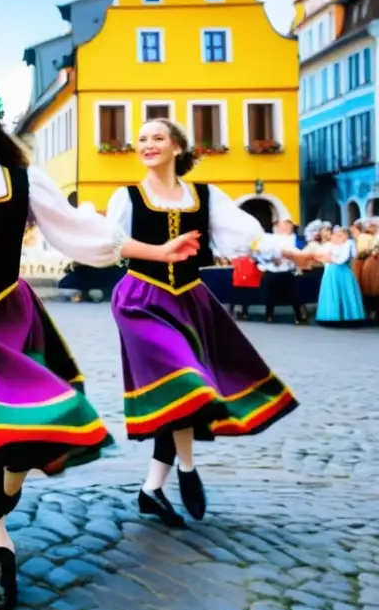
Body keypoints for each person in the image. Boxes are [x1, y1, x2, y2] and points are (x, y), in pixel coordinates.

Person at [0, 88, 201, 610]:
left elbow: (85, 235)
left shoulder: (26, 183)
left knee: (28, 420)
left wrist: (159, 250)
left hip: (11, 312)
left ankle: (15, 473)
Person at [105, 119, 305, 529]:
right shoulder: (127, 198)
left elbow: (248, 238)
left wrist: (292, 253)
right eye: (142, 139)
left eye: (158, 138)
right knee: (186, 381)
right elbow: (112, 245)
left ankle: (151, 489)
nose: (148, 144)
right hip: (141, 297)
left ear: (177, 147)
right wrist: (159, 252)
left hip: (190, 299)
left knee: (179, 395)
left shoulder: (206, 196)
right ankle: (189, 469)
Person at [314, 225, 367, 327]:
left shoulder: (348, 244)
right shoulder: (330, 245)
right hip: (330, 273)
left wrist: (331, 258)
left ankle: (348, 316)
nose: (338, 237)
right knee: (331, 293)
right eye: (336, 235)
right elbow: (319, 255)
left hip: (342, 272)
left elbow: (342, 259)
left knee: (345, 292)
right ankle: (331, 316)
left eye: (341, 235)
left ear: (347, 237)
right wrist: (325, 258)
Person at [260, 218, 305, 324]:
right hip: (272, 269)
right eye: (282, 225)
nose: (284, 228)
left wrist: (291, 256)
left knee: (294, 295)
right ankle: (269, 315)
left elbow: (302, 252)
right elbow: (261, 253)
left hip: (289, 270)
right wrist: (272, 258)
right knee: (270, 295)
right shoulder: (269, 238)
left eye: (287, 226)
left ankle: (298, 316)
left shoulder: (296, 239)